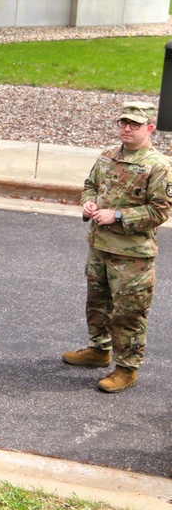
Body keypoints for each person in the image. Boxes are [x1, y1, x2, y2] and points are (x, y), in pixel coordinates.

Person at [62, 101, 172, 393]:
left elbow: (160, 211)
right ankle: (99, 350)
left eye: (134, 124)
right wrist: (89, 202)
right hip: (100, 246)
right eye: (123, 123)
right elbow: (91, 185)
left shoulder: (158, 165)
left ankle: (126, 369)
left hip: (132, 256)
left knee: (129, 313)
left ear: (149, 128)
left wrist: (118, 215)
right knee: (97, 302)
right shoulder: (107, 156)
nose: (126, 128)